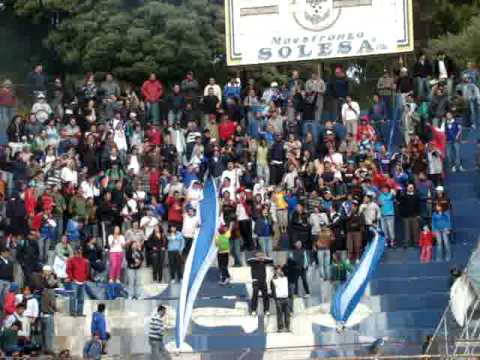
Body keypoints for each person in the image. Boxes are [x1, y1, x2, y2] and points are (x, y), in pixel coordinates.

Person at [66, 246, 89, 317]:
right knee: (73, 298)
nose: (79, 252)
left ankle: (79, 312)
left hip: (82, 282)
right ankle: (72, 312)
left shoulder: (85, 260)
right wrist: (72, 278)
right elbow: (68, 270)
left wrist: (85, 279)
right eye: (78, 250)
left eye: (80, 250)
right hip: (74, 282)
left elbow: (87, 271)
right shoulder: (71, 260)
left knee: (81, 299)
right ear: (75, 251)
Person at [270, 266, 291, 332]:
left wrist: (289, 295)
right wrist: (275, 298)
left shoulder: (285, 278)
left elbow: (288, 286)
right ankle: (280, 328)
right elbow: (272, 290)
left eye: (280, 270)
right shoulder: (273, 280)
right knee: (279, 314)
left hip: (286, 298)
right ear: (275, 271)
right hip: (279, 299)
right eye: (277, 270)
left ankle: (287, 327)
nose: (279, 271)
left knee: (287, 314)